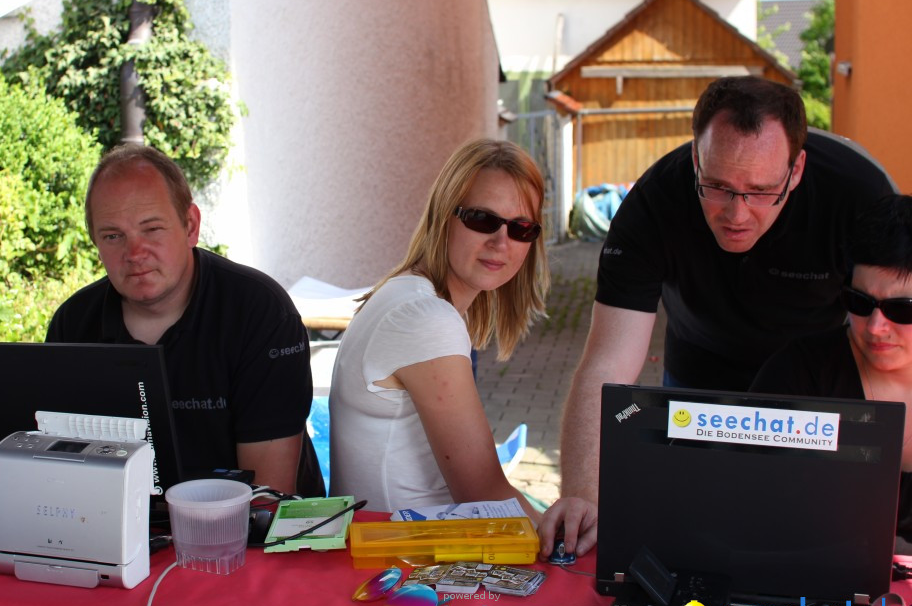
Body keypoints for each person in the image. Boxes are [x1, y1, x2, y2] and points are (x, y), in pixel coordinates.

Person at [559, 76, 896, 503]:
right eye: (718, 187)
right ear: (696, 162)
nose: (737, 214)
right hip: (699, 370)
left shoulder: (856, 195)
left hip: (814, 377)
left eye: (760, 191)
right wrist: (581, 496)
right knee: (693, 509)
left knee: (811, 516)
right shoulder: (652, 205)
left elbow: (893, 326)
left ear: (796, 172)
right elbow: (607, 364)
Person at [329, 138, 598, 557]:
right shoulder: (426, 318)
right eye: (482, 219)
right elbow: (485, 494)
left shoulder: (412, 297)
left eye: (521, 227)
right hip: (409, 570)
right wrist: (563, 545)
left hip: (405, 554)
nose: (501, 241)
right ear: (444, 216)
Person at [47, 144, 319, 495]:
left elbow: (266, 499)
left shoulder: (258, 312)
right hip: (121, 534)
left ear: (190, 226)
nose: (134, 253)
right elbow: (64, 472)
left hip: (251, 538)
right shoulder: (73, 324)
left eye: (152, 229)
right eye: (113, 236)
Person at [751, 194, 912, 541]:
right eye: (860, 302)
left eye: (902, 310)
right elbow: (751, 498)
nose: (875, 326)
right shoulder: (800, 374)